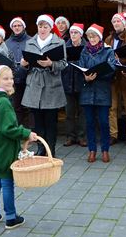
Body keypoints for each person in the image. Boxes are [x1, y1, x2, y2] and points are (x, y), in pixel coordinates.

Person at [0, 65, 38, 229]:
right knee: (6, 183)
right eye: (5, 78)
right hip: (3, 150)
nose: (10, 81)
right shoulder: (3, 102)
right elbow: (9, 129)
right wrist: (27, 133)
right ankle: (11, 217)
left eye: (11, 78)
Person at [20, 14, 67, 158]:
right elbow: (27, 62)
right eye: (40, 26)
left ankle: (50, 149)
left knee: (51, 122)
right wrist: (25, 65)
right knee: (37, 122)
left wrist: (51, 64)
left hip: (51, 86)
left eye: (45, 26)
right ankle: (41, 148)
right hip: (34, 85)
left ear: (50, 27)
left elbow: (64, 63)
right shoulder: (30, 42)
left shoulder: (59, 42)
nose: (42, 29)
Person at [79, 24, 116, 163]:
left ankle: (105, 150)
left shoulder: (108, 51)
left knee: (104, 122)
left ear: (99, 37)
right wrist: (86, 77)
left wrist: (99, 75)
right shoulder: (84, 51)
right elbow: (81, 66)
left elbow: (112, 68)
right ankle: (92, 150)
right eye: (89, 36)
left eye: (94, 36)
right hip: (88, 92)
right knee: (89, 122)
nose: (92, 39)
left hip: (102, 91)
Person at [105, 12, 126, 146]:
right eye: (114, 22)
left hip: (125, 76)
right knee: (112, 108)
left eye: (118, 21)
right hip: (112, 77)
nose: (116, 24)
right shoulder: (108, 39)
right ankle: (113, 134)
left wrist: (121, 60)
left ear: (123, 24)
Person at [61, 23, 87, 147]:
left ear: (81, 35)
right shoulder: (64, 47)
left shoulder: (86, 47)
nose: (73, 35)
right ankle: (70, 136)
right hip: (68, 82)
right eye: (71, 33)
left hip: (82, 83)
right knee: (69, 112)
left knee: (82, 112)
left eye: (76, 33)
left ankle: (82, 136)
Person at [5, 17, 32, 127]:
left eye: (19, 25)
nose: (17, 27)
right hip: (13, 79)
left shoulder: (31, 41)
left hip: (29, 78)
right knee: (16, 106)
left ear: (23, 27)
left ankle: (31, 132)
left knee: (30, 107)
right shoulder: (6, 43)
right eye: (14, 26)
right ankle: (16, 130)